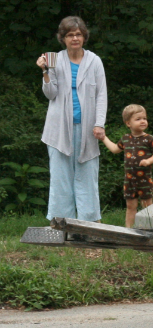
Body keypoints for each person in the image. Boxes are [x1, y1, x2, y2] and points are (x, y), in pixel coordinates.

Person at [37, 16, 107, 223]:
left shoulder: (94, 61)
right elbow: (50, 94)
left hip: (88, 129)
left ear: (84, 36)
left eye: (78, 34)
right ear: (63, 38)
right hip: (58, 129)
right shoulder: (55, 59)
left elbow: (102, 94)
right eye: (70, 35)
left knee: (87, 175)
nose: (74, 38)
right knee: (60, 179)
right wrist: (45, 71)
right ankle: (60, 224)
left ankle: (90, 224)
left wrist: (99, 123)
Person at [99, 104, 153, 228]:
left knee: (148, 207)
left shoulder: (149, 139)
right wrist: (103, 138)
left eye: (144, 118)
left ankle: (150, 230)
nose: (143, 121)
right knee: (130, 206)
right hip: (129, 180)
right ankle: (128, 230)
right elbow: (115, 149)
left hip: (145, 180)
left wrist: (149, 161)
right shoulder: (125, 139)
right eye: (138, 119)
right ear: (128, 123)